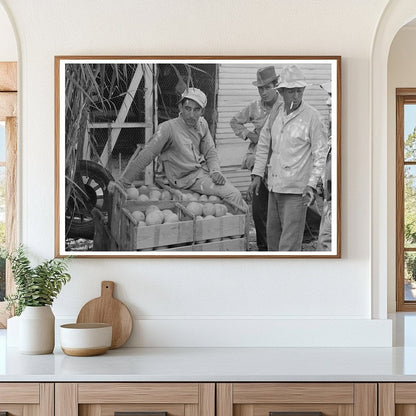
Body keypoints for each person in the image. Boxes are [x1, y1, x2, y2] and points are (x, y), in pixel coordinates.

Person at [116, 87, 247, 210]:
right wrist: (124, 182)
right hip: (186, 180)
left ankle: (229, 230)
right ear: (180, 107)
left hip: (202, 174)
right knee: (233, 195)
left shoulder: (202, 124)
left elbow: (210, 152)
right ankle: (232, 233)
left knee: (243, 205)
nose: (191, 114)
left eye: (196, 110)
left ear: (202, 111)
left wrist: (215, 171)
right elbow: (147, 154)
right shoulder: (168, 128)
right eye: (187, 108)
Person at [249, 65, 327, 251]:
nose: (296, 96)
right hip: (274, 187)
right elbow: (263, 144)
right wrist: (258, 174)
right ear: (282, 92)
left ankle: (288, 276)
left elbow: (320, 154)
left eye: (299, 91)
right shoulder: (276, 114)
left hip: (296, 191)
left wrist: (311, 184)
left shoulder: (313, 117)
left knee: (288, 245)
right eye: (291, 92)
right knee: (273, 240)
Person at [230, 66, 281, 251]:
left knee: (279, 207)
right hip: (259, 162)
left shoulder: (284, 105)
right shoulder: (254, 106)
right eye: (261, 88)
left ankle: (280, 246)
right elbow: (234, 122)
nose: (264, 92)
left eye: (268, 87)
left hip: (279, 162)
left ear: (276, 85)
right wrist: (250, 136)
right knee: (259, 209)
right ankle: (263, 248)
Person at [316, 81, 333, 251]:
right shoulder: (332, 131)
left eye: (332, 96)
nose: (327, 102)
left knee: (326, 244)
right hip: (329, 200)